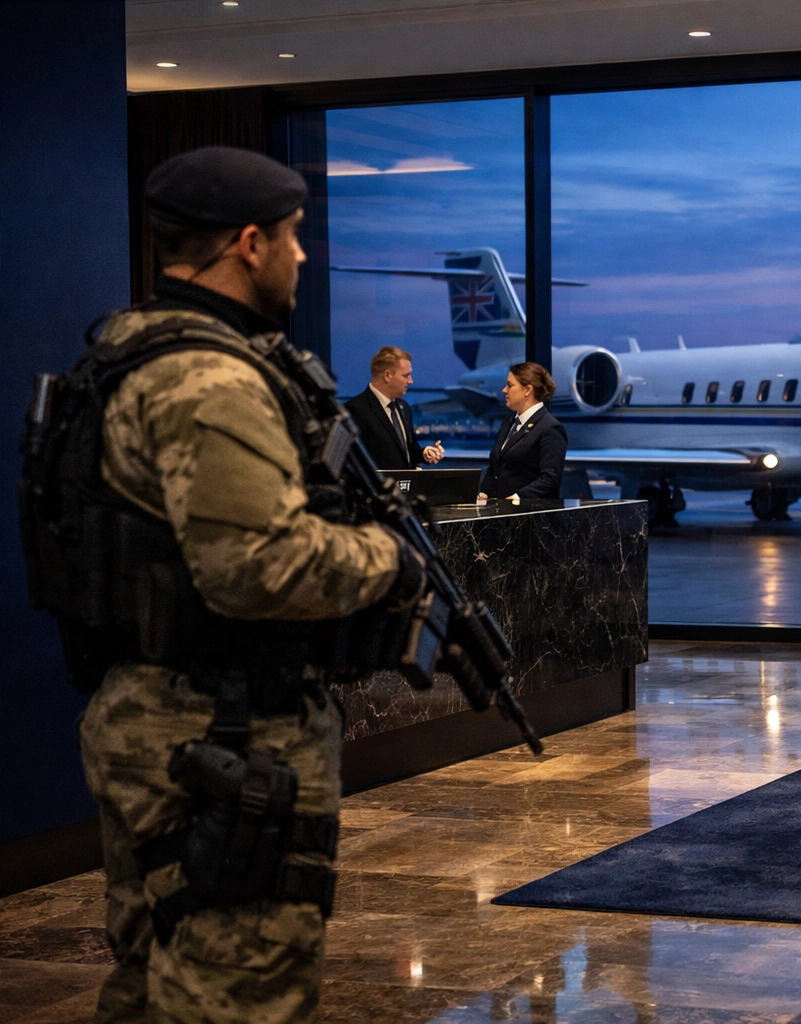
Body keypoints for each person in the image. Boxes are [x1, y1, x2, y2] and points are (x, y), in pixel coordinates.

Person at [74, 146, 421, 1023]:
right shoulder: (210, 379)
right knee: (238, 998)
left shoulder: (130, 349)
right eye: (295, 237)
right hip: (220, 740)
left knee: (151, 982)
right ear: (248, 243)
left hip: (160, 717)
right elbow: (260, 569)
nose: (303, 257)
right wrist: (391, 557)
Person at [343, 345, 445, 471]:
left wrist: (425, 453)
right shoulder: (356, 410)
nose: (410, 381)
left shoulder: (404, 408)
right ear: (387, 375)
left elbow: (408, 451)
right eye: (406, 375)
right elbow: (354, 464)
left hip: (406, 489)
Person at [478, 361, 568, 501]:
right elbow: (497, 466)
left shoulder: (549, 428)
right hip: (500, 514)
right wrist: (484, 493)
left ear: (527, 390)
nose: (504, 390)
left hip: (529, 516)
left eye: (509, 385)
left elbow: (551, 478)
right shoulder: (509, 422)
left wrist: (518, 497)